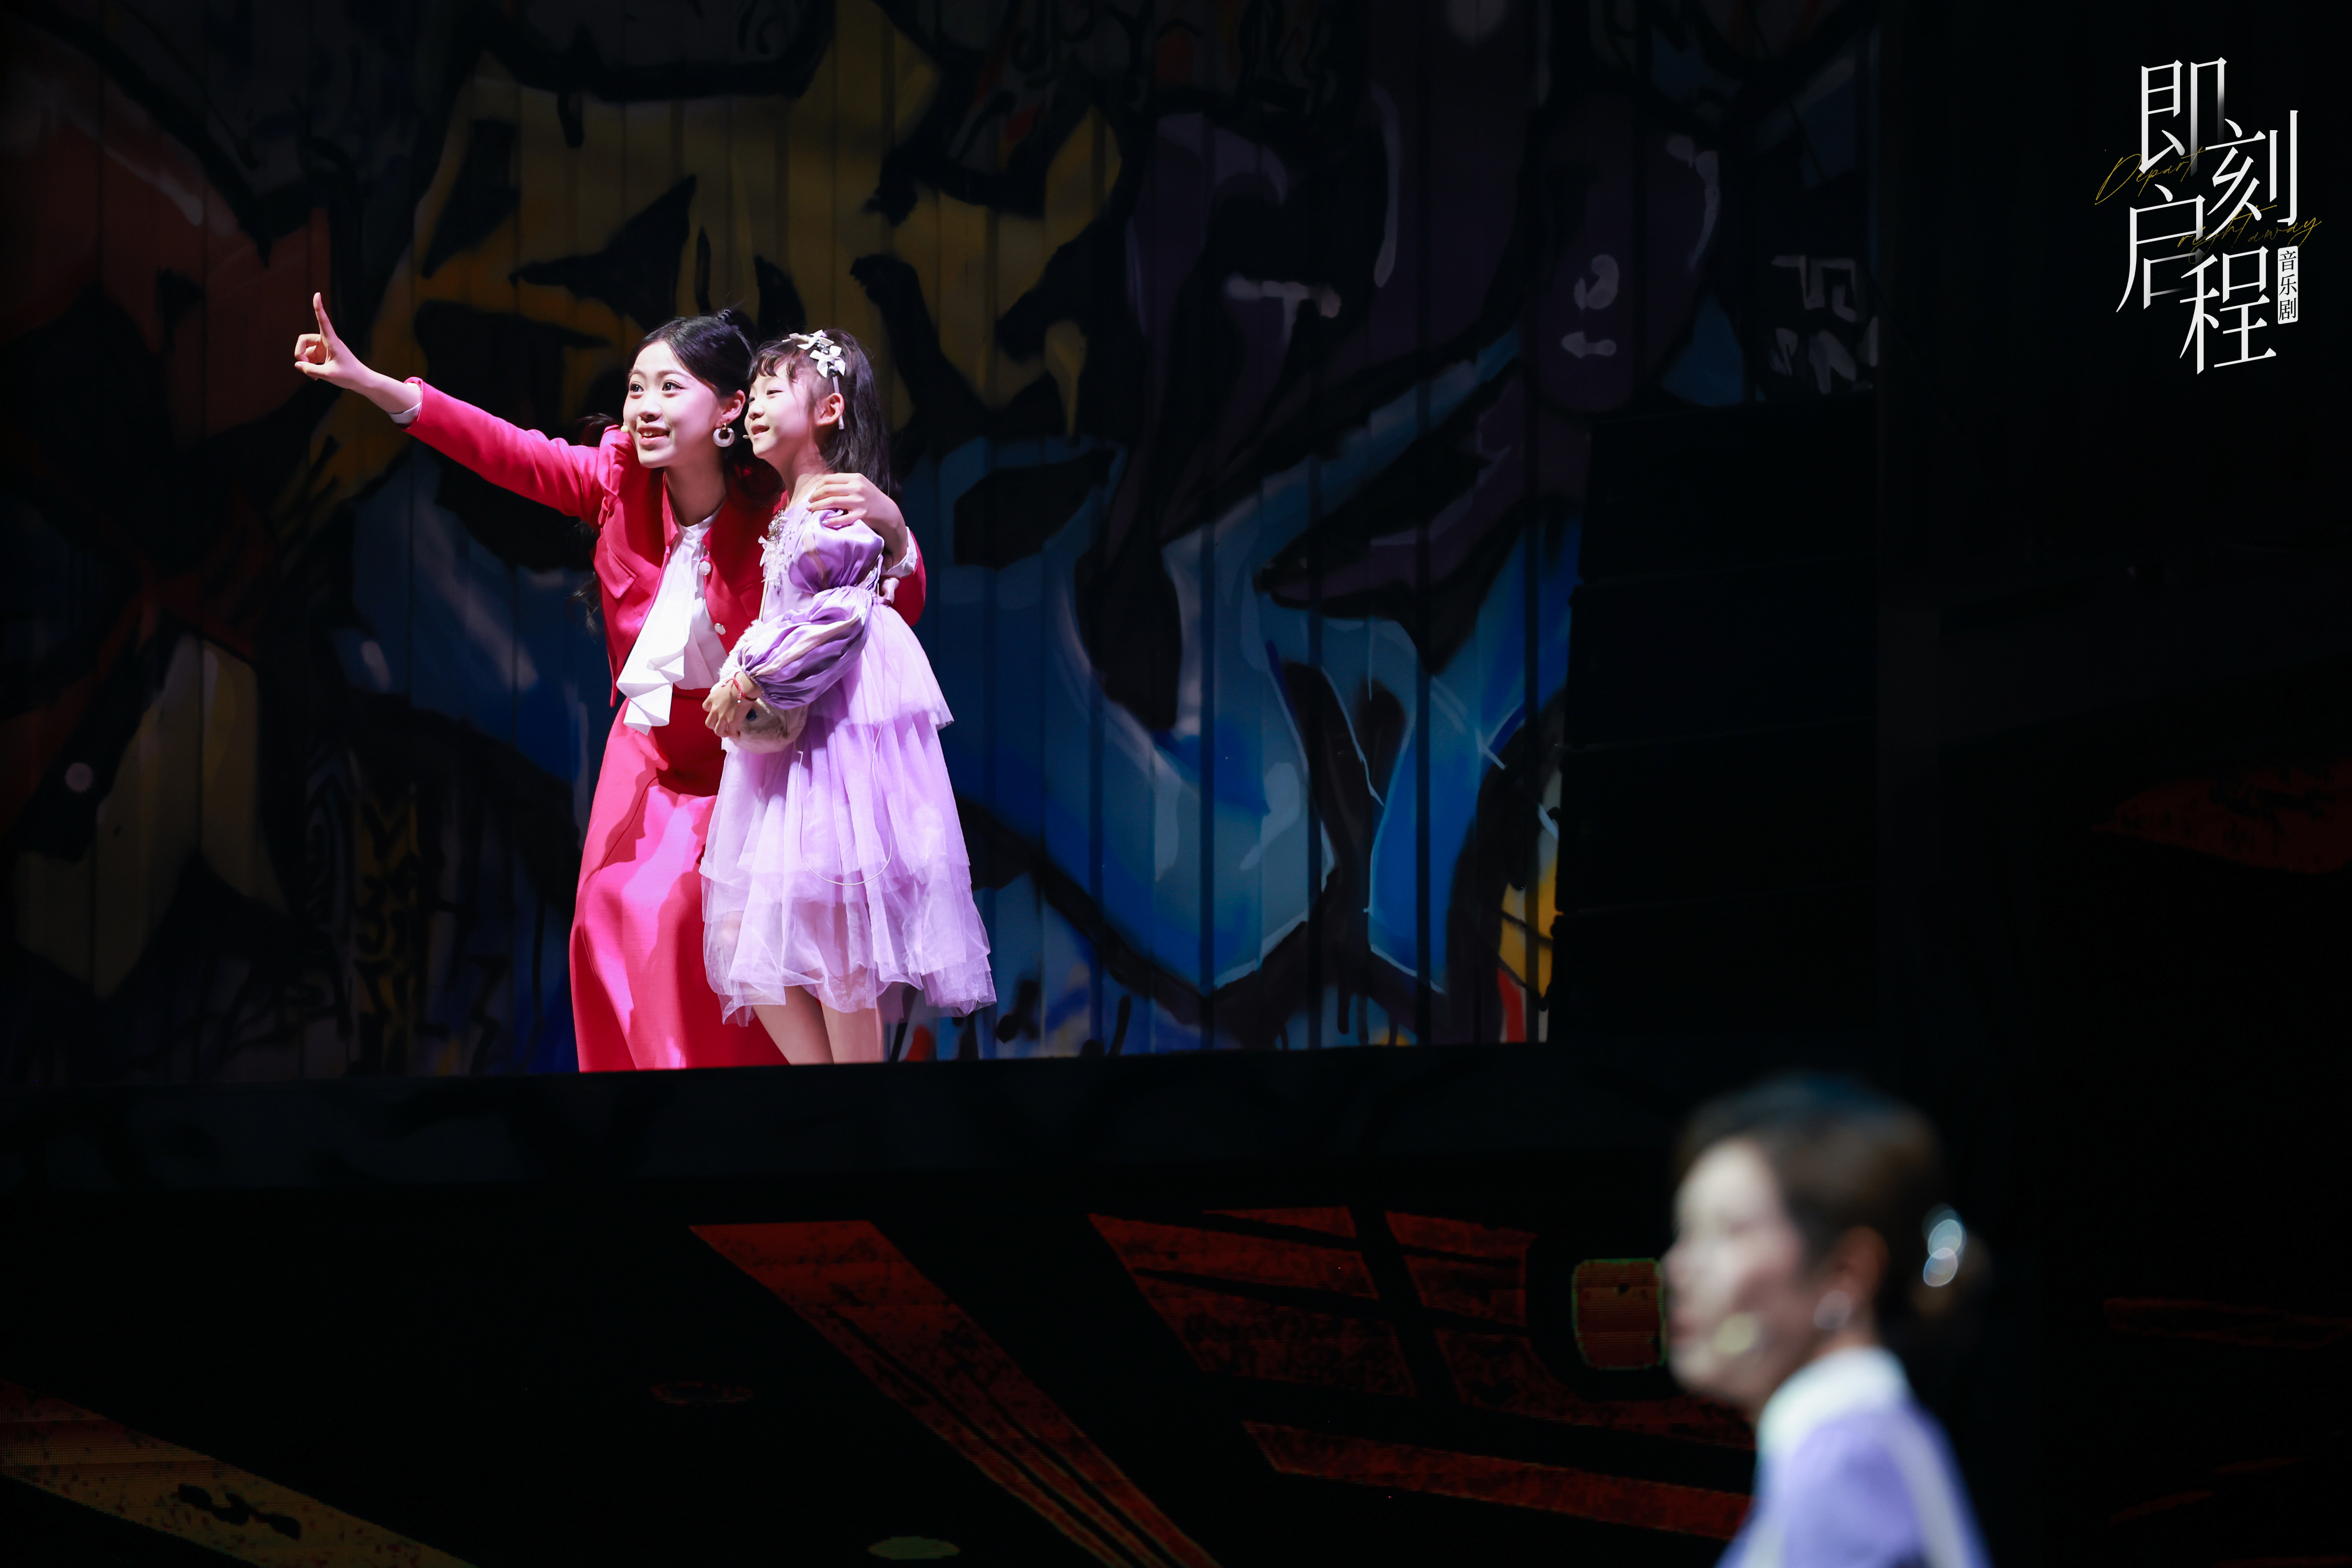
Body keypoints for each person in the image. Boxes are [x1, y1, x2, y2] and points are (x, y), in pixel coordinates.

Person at [292, 296, 927, 1070]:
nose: (645, 407)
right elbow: (502, 448)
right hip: (653, 756)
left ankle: (796, 1108)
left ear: (729, 409)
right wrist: (376, 385)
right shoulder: (615, 481)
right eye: (635, 389)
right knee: (616, 910)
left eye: (670, 388)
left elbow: (886, 612)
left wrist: (896, 530)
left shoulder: (777, 500)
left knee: (719, 918)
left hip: (751, 764)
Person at [698, 329, 995, 1064]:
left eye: (773, 391)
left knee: (838, 938)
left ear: (829, 411)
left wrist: (749, 675)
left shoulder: (837, 506)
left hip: (836, 736)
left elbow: (840, 616)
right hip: (799, 741)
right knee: (744, 933)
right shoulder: (792, 506)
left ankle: (856, 1102)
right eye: (753, 393)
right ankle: (829, 1088)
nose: (756, 405)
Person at [1662, 1075, 1991, 1568]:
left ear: (1844, 1273)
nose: (1677, 1268)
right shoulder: (1863, 1444)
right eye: (1687, 1232)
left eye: (1729, 1231)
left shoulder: (1842, 1464)